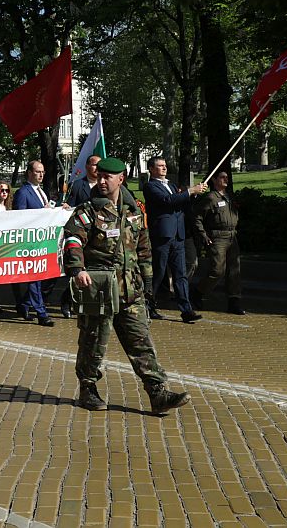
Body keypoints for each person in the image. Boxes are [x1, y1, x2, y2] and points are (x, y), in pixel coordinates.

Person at [63, 157, 191, 414]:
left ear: (120, 179)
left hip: (131, 291)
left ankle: (158, 394)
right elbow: (73, 239)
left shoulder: (133, 212)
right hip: (99, 289)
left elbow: (144, 250)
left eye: (106, 177)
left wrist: (147, 286)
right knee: (94, 342)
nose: (100, 181)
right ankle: (88, 388)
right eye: (98, 176)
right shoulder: (87, 211)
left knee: (141, 342)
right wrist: (77, 269)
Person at [141, 157, 207, 323]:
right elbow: (167, 201)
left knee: (180, 274)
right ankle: (148, 304)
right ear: (151, 169)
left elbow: (181, 204)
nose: (164, 168)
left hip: (178, 234)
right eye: (160, 166)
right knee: (159, 272)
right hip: (162, 235)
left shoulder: (170, 185)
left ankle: (186, 309)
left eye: (165, 165)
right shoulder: (150, 186)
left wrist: (194, 195)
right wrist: (189, 192)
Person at [191, 171, 245, 315]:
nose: (226, 179)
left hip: (232, 236)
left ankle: (234, 301)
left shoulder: (229, 197)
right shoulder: (210, 198)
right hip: (217, 236)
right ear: (214, 180)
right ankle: (198, 292)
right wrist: (203, 234)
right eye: (222, 177)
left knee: (234, 270)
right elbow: (197, 217)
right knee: (217, 270)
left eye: (227, 177)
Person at [12, 160, 56, 326]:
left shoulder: (41, 192)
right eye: (38, 171)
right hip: (30, 243)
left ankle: (24, 305)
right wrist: (41, 213)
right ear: (29, 172)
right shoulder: (23, 192)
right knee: (34, 278)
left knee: (43, 277)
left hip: (43, 241)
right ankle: (41, 313)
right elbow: (20, 217)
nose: (41, 175)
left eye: (43, 172)